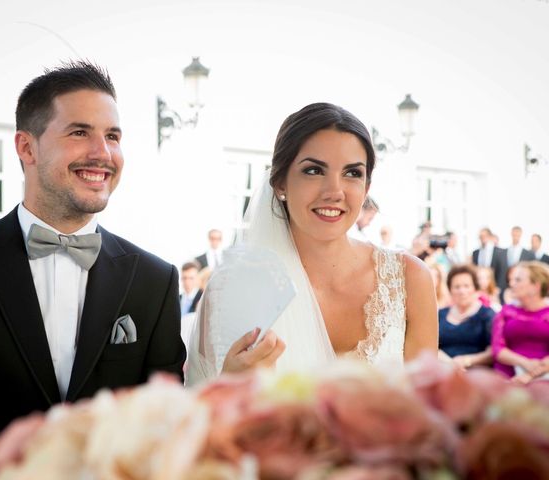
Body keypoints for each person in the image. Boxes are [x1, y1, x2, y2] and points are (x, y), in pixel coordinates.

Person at [0, 61, 185, 477]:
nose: (103, 153)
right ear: (26, 147)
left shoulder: (154, 280)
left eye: (112, 136)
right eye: (80, 132)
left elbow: (164, 431)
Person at [186, 102, 438, 384]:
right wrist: (229, 385)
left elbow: (428, 412)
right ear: (280, 183)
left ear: (366, 187)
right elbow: (199, 414)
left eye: (353, 173)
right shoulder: (232, 289)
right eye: (314, 171)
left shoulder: (409, 280)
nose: (335, 191)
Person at [492, 261, 549, 383]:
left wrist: (530, 376)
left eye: (518, 280)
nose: (511, 284)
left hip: (544, 375)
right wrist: (525, 363)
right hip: (508, 376)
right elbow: (497, 349)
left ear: (536, 286)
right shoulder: (506, 312)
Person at [438, 265, 495, 369]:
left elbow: (493, 351)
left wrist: (467, 361)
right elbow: (431, 345)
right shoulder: (440, 314)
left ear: (475, 288)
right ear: (450, 290)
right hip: (443, 369)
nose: (462, 291)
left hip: (476, 372)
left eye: (466, 286)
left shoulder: (487, 314)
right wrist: (450, 364)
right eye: (457, 287)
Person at [472, 227, 508, 298]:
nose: (482, 238)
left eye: (484, 236)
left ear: (490, 237)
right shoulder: (476, 253)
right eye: (480, 237)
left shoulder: (500, 252)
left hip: (495, 288)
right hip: (479, 289)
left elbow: (503, 271)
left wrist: (498, 288)